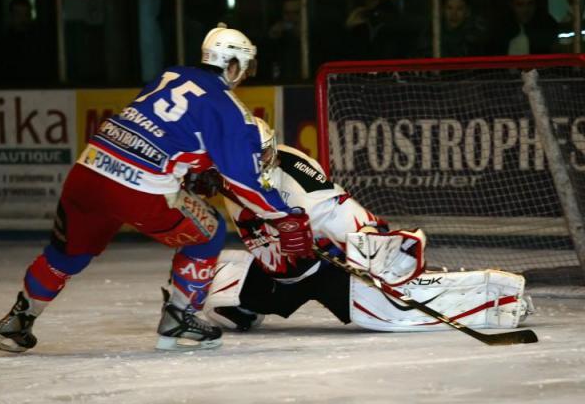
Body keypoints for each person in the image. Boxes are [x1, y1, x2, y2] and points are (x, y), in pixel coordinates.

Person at [0, 24, 314, 353]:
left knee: (68, 253)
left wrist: (196, 169)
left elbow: (163, 130)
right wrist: (283, 214)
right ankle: (179, 317)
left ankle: (16, 323)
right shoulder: (227, 107)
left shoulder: (171, 75)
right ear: (234, 64)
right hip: (139, 187)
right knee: (208, 231)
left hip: (89, 170)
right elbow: (244, 179)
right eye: (246, 67)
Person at [200, 118, 534, 333]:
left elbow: (346, 216)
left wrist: (378, 249)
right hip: (278, 272)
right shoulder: (226, 171)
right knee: (220, 305)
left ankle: (495, 295)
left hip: (325, 266)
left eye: (263, 157)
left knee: (392, 313)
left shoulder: (298, 181)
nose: (256, 166)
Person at [417, 0, 488, 57]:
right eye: (449, 8)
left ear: (467, 12)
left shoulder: (475, 34)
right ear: (442, 10)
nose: (454, 14)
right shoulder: (431, 31)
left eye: (460, 9)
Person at [489, 0, 559, 55]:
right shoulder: (501, 29)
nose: (525, 10)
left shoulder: (547, 26)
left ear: (536, 5)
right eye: (520, 4)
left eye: (530, 4)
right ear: (511, 5)